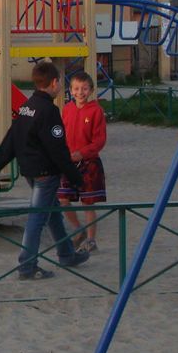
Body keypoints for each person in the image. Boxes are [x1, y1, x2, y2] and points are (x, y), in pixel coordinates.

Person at [0, 61, 90, 280]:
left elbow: (11, 140)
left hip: (30, 170)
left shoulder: (26, 106)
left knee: (53, 214)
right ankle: (27, 265)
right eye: (60, 81)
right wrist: (75, 177)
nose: (60, 84)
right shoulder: (49, 111)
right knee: (37, 219)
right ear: (54, 83)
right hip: (45, 173)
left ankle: (66, 253)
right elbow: (58, 149)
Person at [58, 71, 107, 254]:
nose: (80, 92)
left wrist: (83, 153)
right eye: (76, 88)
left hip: (89, 162)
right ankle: (79, 230)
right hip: (68, 162)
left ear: (91, 90)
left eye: (84, 89)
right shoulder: (67, 109)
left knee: (88, 203)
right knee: (62, 198)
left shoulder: (96, 111)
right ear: (70, 90)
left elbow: (99, 140)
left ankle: (91, 239)